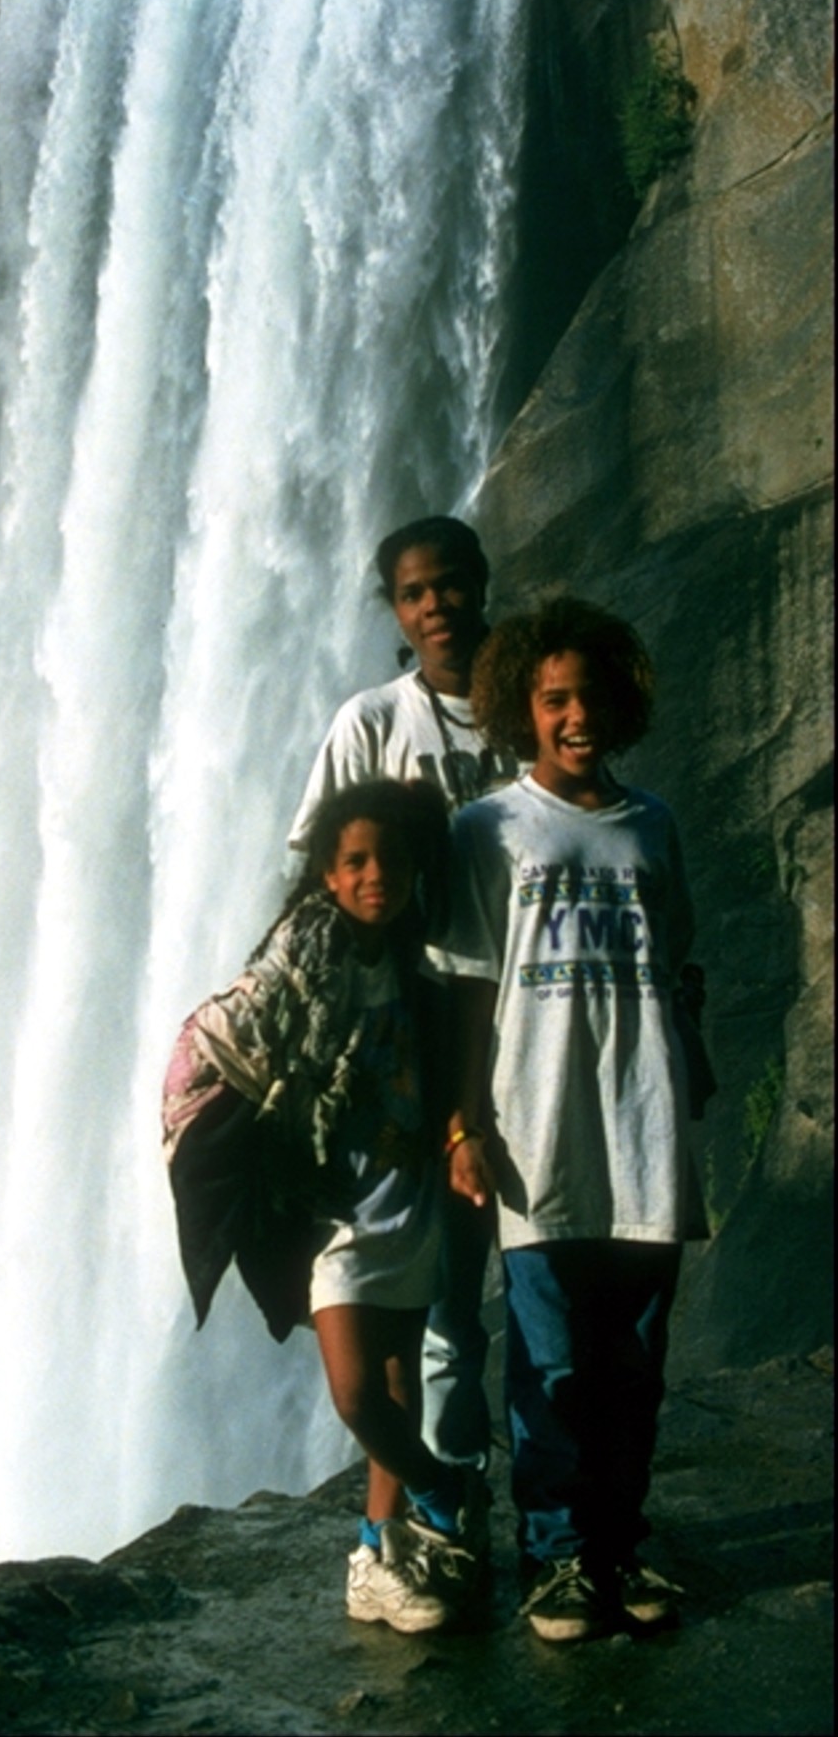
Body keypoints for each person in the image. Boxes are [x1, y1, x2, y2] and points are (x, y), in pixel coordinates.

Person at [163, 780, 487, 1634]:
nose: (376, 875)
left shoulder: (418, 965)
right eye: (355, 862)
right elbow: (218, 1033)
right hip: (333, 1212)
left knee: (398, 1380)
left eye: (391, 859)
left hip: (406, 1198)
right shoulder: (300, 959)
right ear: (327, 876)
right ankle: (442, 1487)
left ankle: (377, 1555)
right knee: (355, 1394)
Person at [432, 597, 697, 1642]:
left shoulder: (652, 825)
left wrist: (691, 1090)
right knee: (549, 1366)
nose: (574, 715)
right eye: (553, 700)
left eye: (589, 696)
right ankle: (554, 1558)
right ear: (521, 710)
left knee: (633, 1366)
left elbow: (677, 969)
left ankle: (618, 1545)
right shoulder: (487, 829)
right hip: (536, 1133)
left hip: (646, 1133)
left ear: (620, 702)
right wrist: (464, 1126)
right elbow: (466, 991)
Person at [289, 517, 519, 1503]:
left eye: (450, 584)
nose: (436, 607)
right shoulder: (373, 722)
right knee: (444, 1302)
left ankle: (529, 1506)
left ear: (482, 583)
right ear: (393, 609)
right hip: (415, 1035)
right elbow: (318, 876)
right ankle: (442, 1508)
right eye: (414, 593)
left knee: (517, 1282)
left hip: (532, 1016)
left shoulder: (533, 710)